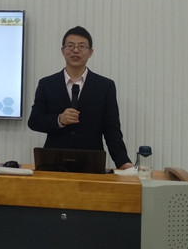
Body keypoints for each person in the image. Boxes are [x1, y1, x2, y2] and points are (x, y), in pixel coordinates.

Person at [28, 26, 134, 169]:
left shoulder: (105, 86)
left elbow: (111, 129)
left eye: (82, 46)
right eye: (70, 46)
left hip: (91, 161)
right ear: (62, 51)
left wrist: (122, 162)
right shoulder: (47, 84)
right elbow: (34, 121)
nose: (76, 50)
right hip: (53, 161)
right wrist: (59, 120)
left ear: (90, 52)